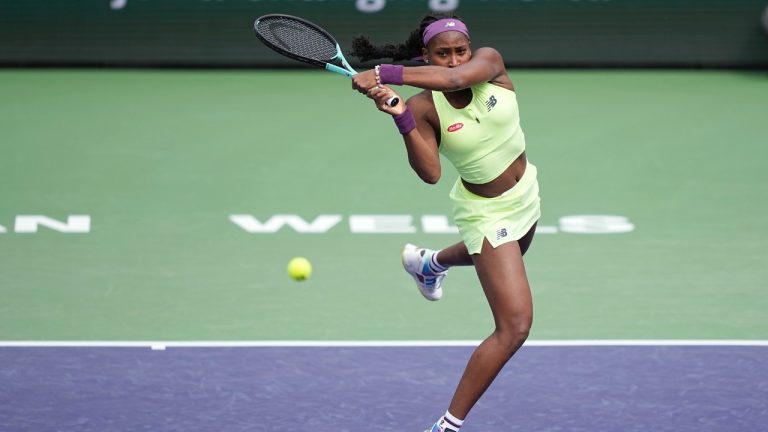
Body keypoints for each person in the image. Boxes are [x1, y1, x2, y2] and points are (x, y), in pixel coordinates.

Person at [350, 13, 541, 432]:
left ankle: (429, 262)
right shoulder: (424, 107)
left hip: (526, 191)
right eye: (443, 54)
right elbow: (431, 173)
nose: (454, 62)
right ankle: (446, 425)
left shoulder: (490, 64)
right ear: (427, 56)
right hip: (486, 213)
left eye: (460, 51)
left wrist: (384, 73)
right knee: (514, 326)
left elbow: (457, 81)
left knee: (506, 252)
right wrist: (400, 115)